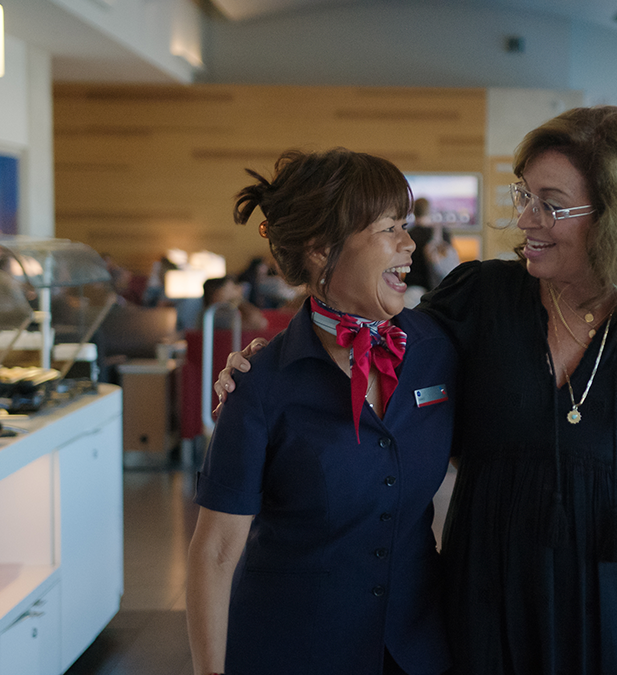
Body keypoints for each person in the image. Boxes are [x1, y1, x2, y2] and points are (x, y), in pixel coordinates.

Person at [215, 107, 617, 674]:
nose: (526, 219)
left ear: (615, 212)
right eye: (525, 196)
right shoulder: (481, 297)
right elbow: (367, 335)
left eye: (551, 204)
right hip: (492, 581)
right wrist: (267, 360)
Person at [186, 148, 457, 675]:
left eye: (405, 226)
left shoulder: (439, 350)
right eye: (388, 230)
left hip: (417, 647)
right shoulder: (260, 384)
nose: (408, 244)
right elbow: (216, 552)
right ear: (319, 249)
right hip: (292, 647)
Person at [404, 197, 460, 307]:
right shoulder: (443, 234)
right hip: (439, 290)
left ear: (414, 211)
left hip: (414, 290)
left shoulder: (408, 235)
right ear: (429, 211)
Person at [201, 276, 268, 331]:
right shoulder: (213, 314)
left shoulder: (227, 311)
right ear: (218, 293)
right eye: (232, 288)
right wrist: (240, 301)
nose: (238, 290)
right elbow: (258, 324)